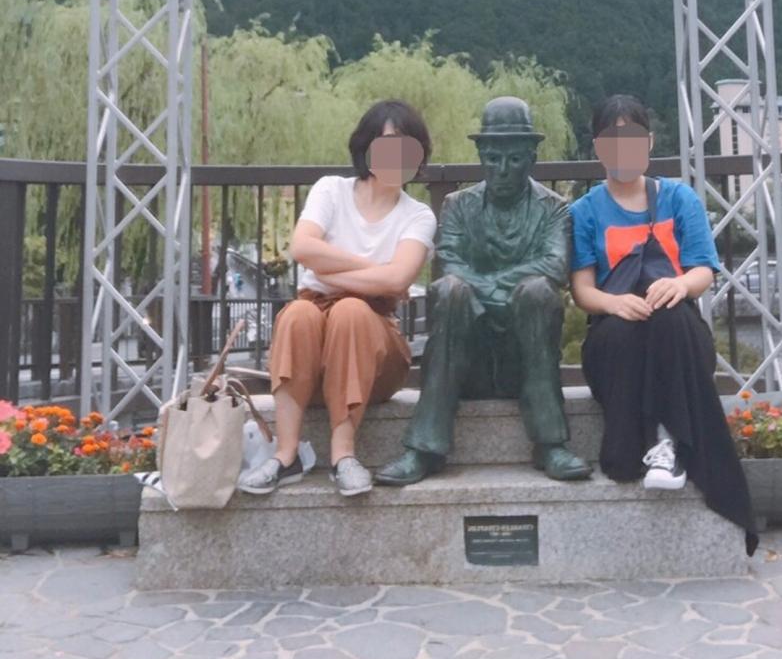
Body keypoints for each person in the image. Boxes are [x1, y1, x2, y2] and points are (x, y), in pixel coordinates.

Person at [570, 93, 758, 555]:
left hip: (676, 336)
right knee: (625, 331)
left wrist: (679, 285)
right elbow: (582, 291)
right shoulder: (585, 210)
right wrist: (615, 303)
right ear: (598, 148)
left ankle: (668, 440)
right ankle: (653, 442)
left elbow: (703, 270)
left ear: (650, 143)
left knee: (670, 317)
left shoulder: (679, 198)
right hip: (615, 341)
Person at [376, 96, 591, 485]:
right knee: (450, 290)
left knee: (538, 293)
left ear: (532, 158)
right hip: (466, 356)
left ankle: (550, 443)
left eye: (514, 159)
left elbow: (554, 266)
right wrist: (497, 291)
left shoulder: (555, 209)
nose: (502, 169)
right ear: (480, 157)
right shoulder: (458, 206)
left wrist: (492, 289)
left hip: (526, 357)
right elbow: (449, 263)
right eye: (492, 159)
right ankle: (425, 449)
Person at [238, 99, 436, 498]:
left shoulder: (418, 215)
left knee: (349, 310)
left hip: (376, 353)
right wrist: (374, 270)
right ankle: (286, 455)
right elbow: (302, 247)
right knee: (297, 314)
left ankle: (343, 455)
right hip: (314, 349)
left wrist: (331, 271)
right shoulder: (331, 189)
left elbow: (398, 278)